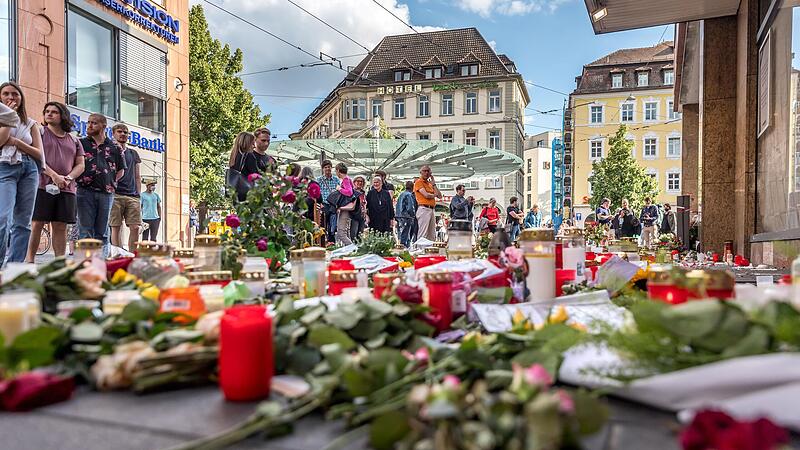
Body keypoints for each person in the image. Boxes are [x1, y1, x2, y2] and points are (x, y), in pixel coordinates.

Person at [27, 101, 85, 262]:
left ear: (63, 116)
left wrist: (67, 178)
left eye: (54, 111)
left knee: (60, 226)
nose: (49, 114)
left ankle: (59, 262)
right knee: (37, 224)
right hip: (41, 186)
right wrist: (54, 176)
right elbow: (35, 157)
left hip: (67, 188)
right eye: (47, 111)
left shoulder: (74, 140)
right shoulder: (39, 133)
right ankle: (30, 260)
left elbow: (80, 164)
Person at [0, 82, 43, 265]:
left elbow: (39, 153)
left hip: (29, 169)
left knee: (23, 222)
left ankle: (15, 267)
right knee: (3, 217)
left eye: (15, 94)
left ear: (21, 98)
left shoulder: (31, 122)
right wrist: (9, 117)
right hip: (5, 167)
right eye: (6, 94)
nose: (11, 98)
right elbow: (1, 141)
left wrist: (17, 143)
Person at [76, 113, 125, 255]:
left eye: (94, 123)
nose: (89, 125)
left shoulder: (115, 147)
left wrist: (109, 181)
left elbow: (120, 170)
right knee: (85, 230)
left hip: (106, 193)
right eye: (88, 122)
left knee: (102, 231)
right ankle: (85, 266)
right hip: (84, 191)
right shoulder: (81, 143)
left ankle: (101, 265)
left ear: (104, 126)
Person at [109, 124, 141, 250]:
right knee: (116, 227)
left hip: (132, 195)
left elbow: (137, 176)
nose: (123, 134)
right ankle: (118, 255)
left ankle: (133, 255)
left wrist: (138, 195)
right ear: (113, 133)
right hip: (115, 194)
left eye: (125, 132)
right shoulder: (110, 151)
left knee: (135, 227)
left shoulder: (133, 153)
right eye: (119, 131)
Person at [413, 165, 441, 241]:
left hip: (431, 209)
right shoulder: (418, 182)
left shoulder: (430, 184)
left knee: (431, 234)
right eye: (424, 171)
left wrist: (434, 184)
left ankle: (429, 251)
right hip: (423, 208)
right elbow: (426, 195)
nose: (426, 173)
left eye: (428, 171)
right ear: (420, 172)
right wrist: (435, 195)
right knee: (423, 233)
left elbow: (440, 196)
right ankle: (420, 250)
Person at [228, 131, 256, 202]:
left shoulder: (234, 158)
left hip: (238, 197)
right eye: (252, 143)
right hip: (249, 196)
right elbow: (256, 176)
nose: (254, 146)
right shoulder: (249, 156)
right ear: (246, 143)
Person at [317, 160, 340, 243]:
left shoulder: (336, 179)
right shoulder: (319, 180)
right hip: (324, 205)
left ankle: (332, 242)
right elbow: (316, 193)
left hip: (333, 205)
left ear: (331, 168)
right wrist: (319, 204)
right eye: (325, 167)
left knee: (333, 225)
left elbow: (339, 192)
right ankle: (323, 243)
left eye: (329, 167)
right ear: (323, 169)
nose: (327, 169)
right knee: (323, 225)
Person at [334, 163, 354, 246]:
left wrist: (339, 189)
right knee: (346, 232)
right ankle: (349, 251)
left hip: (345, 209)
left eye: (336, 171)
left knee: (341, 233)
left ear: (338, 170)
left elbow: (349, 192)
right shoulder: (348, 179)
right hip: (347, 208)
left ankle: (353, 248)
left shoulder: (345, 179)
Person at [396, 180, 416, 247]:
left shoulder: (401, 194)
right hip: (406, 217)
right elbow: (410, 207)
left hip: (399, 217)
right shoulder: (409, 195)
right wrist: (413, 215)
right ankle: (405, 250)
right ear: (412, 187)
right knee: (406, 237)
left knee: (401, 235)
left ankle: (401, 248)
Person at [350, 175, 367, 242]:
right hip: (354, 215)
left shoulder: (363, 193)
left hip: (362, 216)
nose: (360, 183)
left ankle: (359, 249)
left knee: (360, 234)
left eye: (361, 181)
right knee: (353, 234)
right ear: (354, 182)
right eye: (358, 181)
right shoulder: (352, 192)